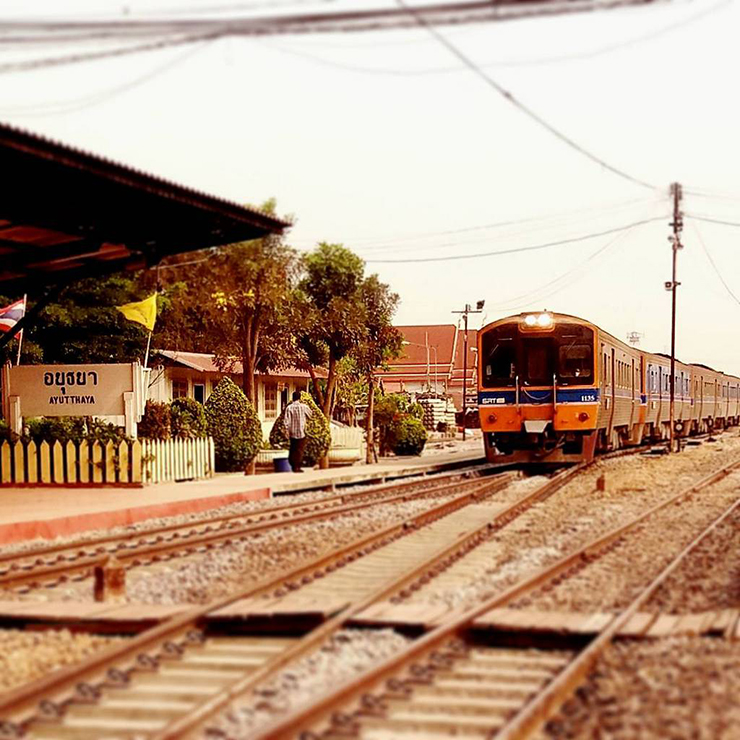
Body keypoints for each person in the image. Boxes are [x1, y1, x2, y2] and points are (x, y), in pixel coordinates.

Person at [283, 390, 313, 472]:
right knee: (299, 450)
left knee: (293, 448)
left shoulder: (289, 408)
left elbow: (286, 420)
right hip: (301, 431)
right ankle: (297, 466)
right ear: (300, 398)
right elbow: (310, 415)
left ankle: (293, 465)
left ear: (292, 398)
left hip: (292, 432)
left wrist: (286, 430)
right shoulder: (304, 407)